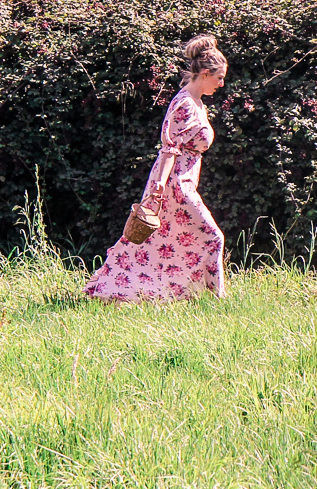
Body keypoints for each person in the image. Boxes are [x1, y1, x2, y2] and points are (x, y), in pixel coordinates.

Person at [85, 36, 228, 302]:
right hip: (175, 184)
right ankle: (213, 297)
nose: (221, 84)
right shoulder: (185, 103)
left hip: (183, 181)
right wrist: (159, 186)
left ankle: (161, 293)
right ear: (205, 73)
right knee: (211, 236)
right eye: (219, 78)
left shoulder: (196, 102)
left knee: (161, 243)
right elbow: (169, 148)